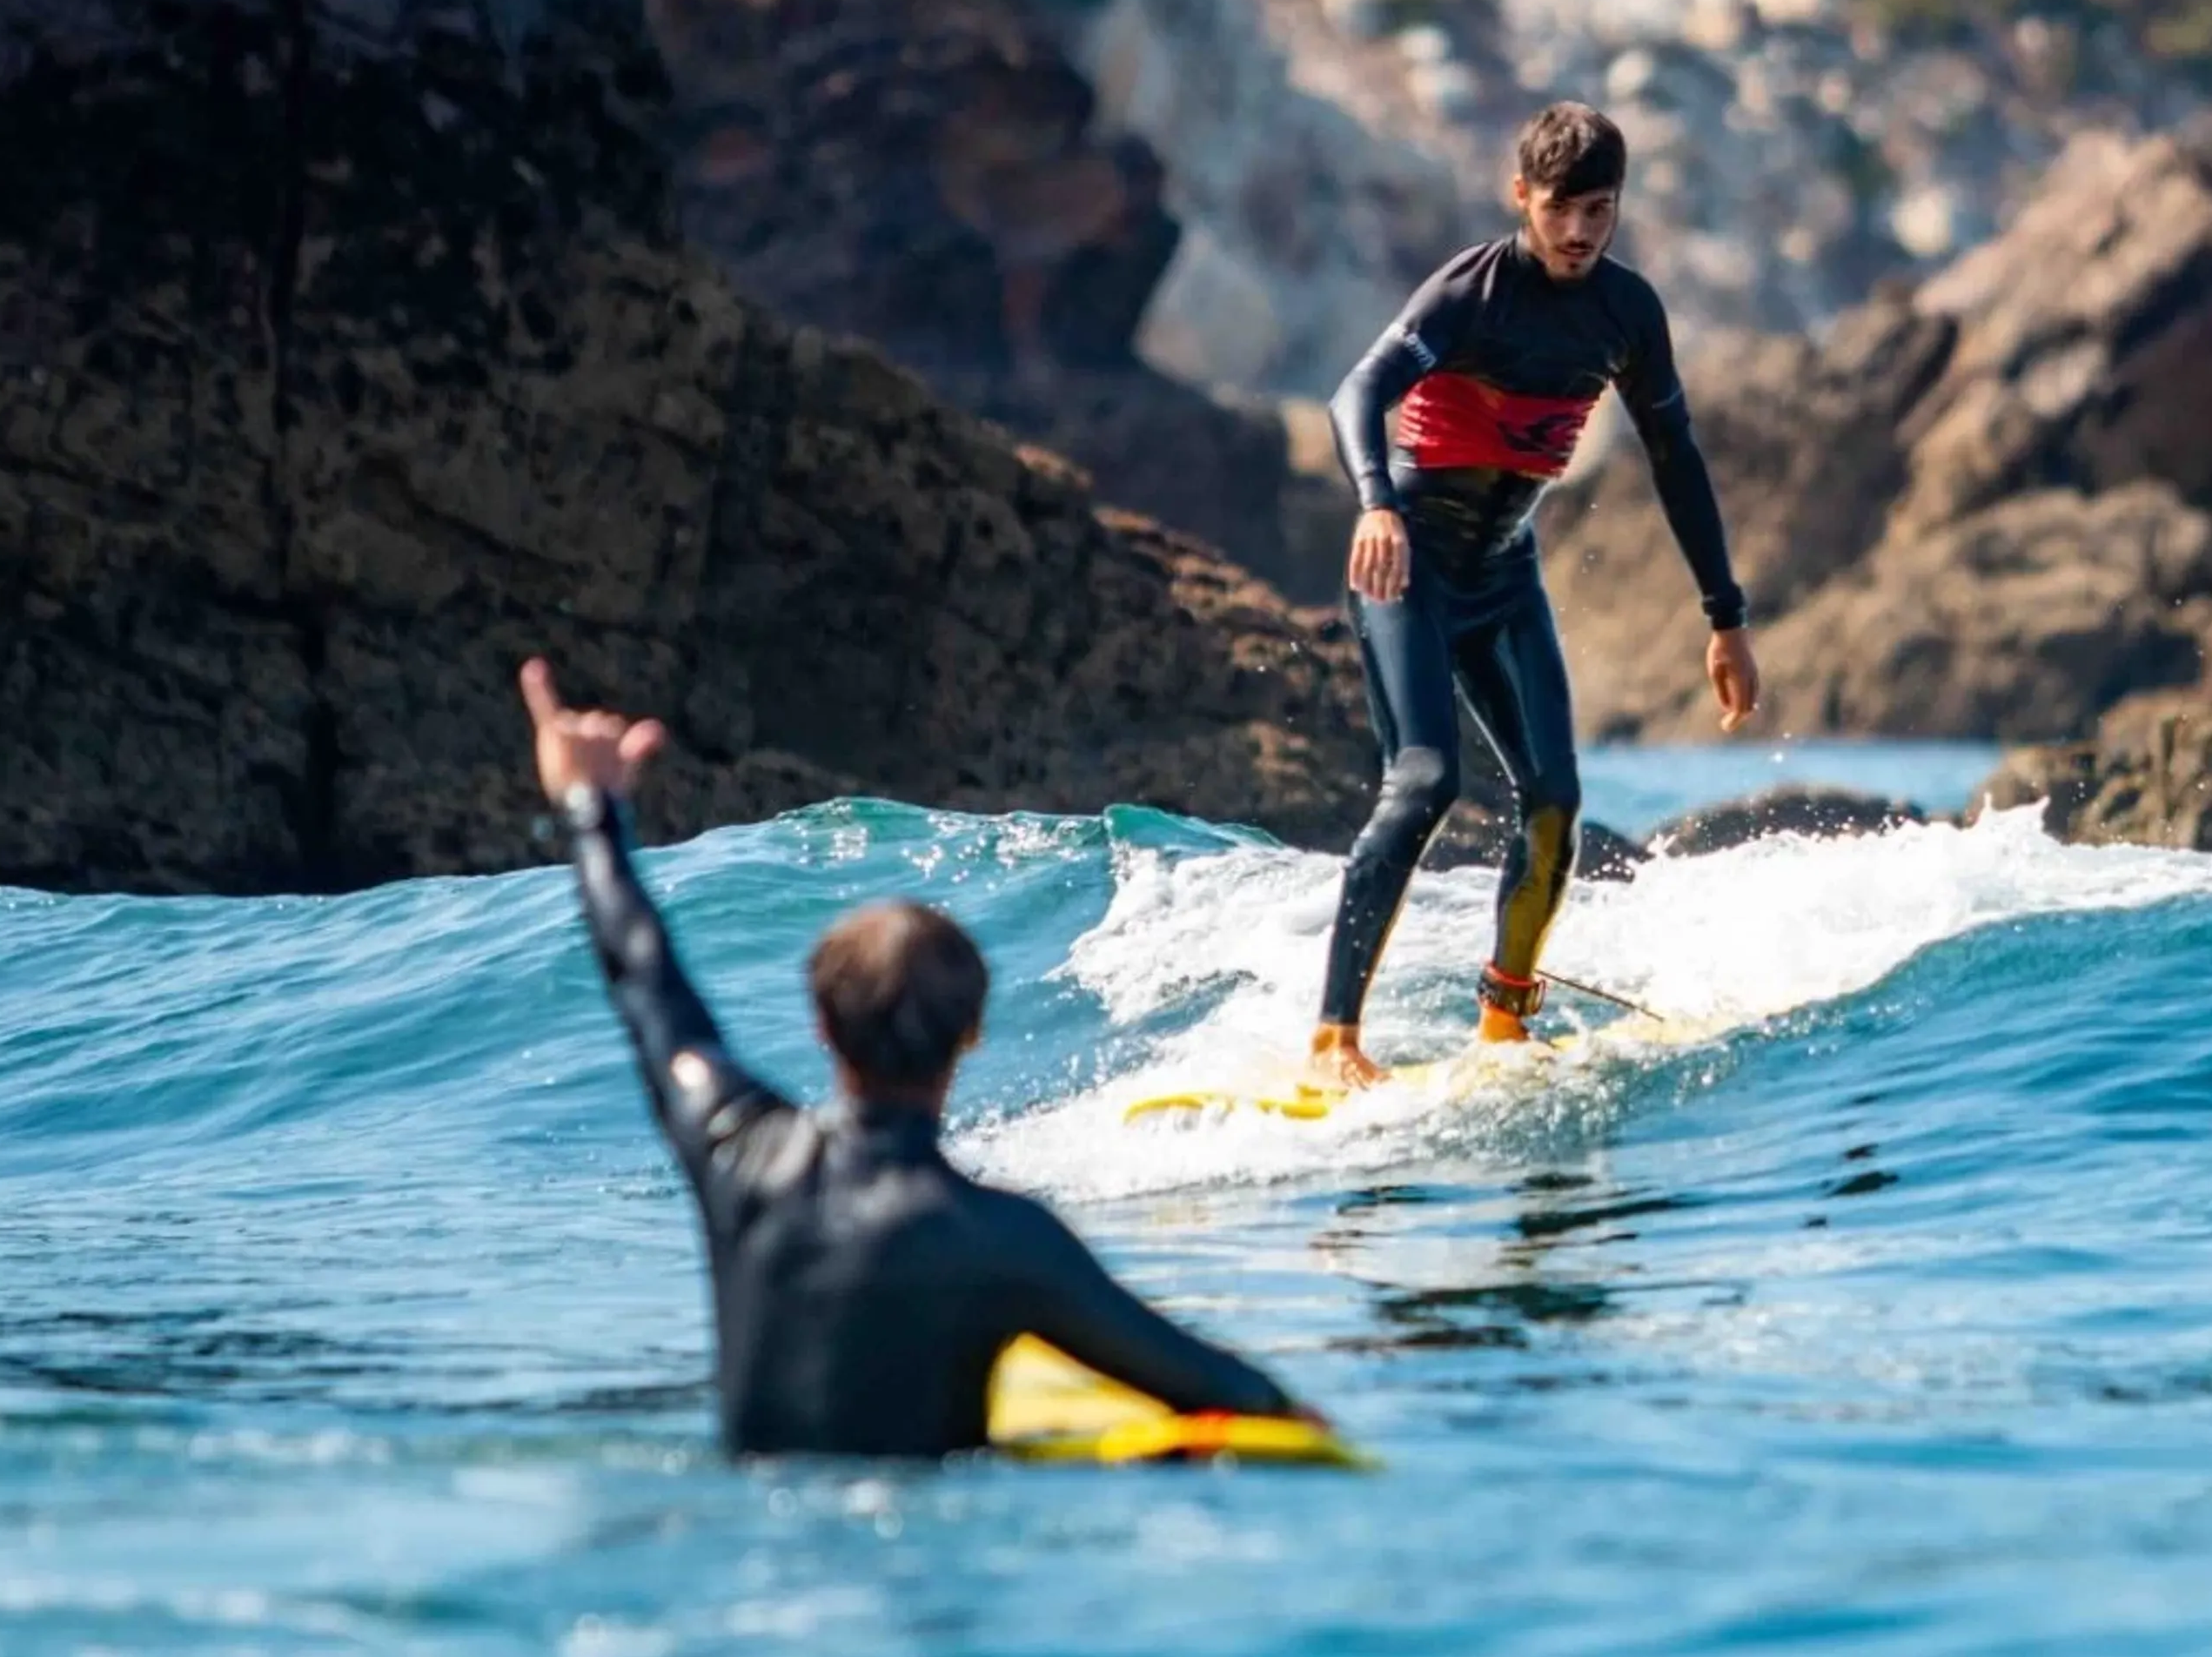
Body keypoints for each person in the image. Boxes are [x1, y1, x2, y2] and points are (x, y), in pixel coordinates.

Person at [519, 658, 1307, 1459]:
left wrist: (592, 809)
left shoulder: (739, 1154)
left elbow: (642, 975)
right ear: (970, 1035)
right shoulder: (1004, 1239)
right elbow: (1231, 1392)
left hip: (755, 1559)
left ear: (822, 1024)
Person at [1310, 102, 1760, 1083]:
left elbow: (1676, 459)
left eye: (1600, 210)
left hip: (1506, 572)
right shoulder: (1470, 294)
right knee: (1425, 780)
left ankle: (1504, 1024)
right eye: (1562, 209)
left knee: (1554, 798)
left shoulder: (1628, 313)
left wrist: (1725, 618)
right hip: (1411, 566)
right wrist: (1375, 505)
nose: (1580, 232)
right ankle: (1335, 1037)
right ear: (1523, 197)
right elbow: (1356, 392)